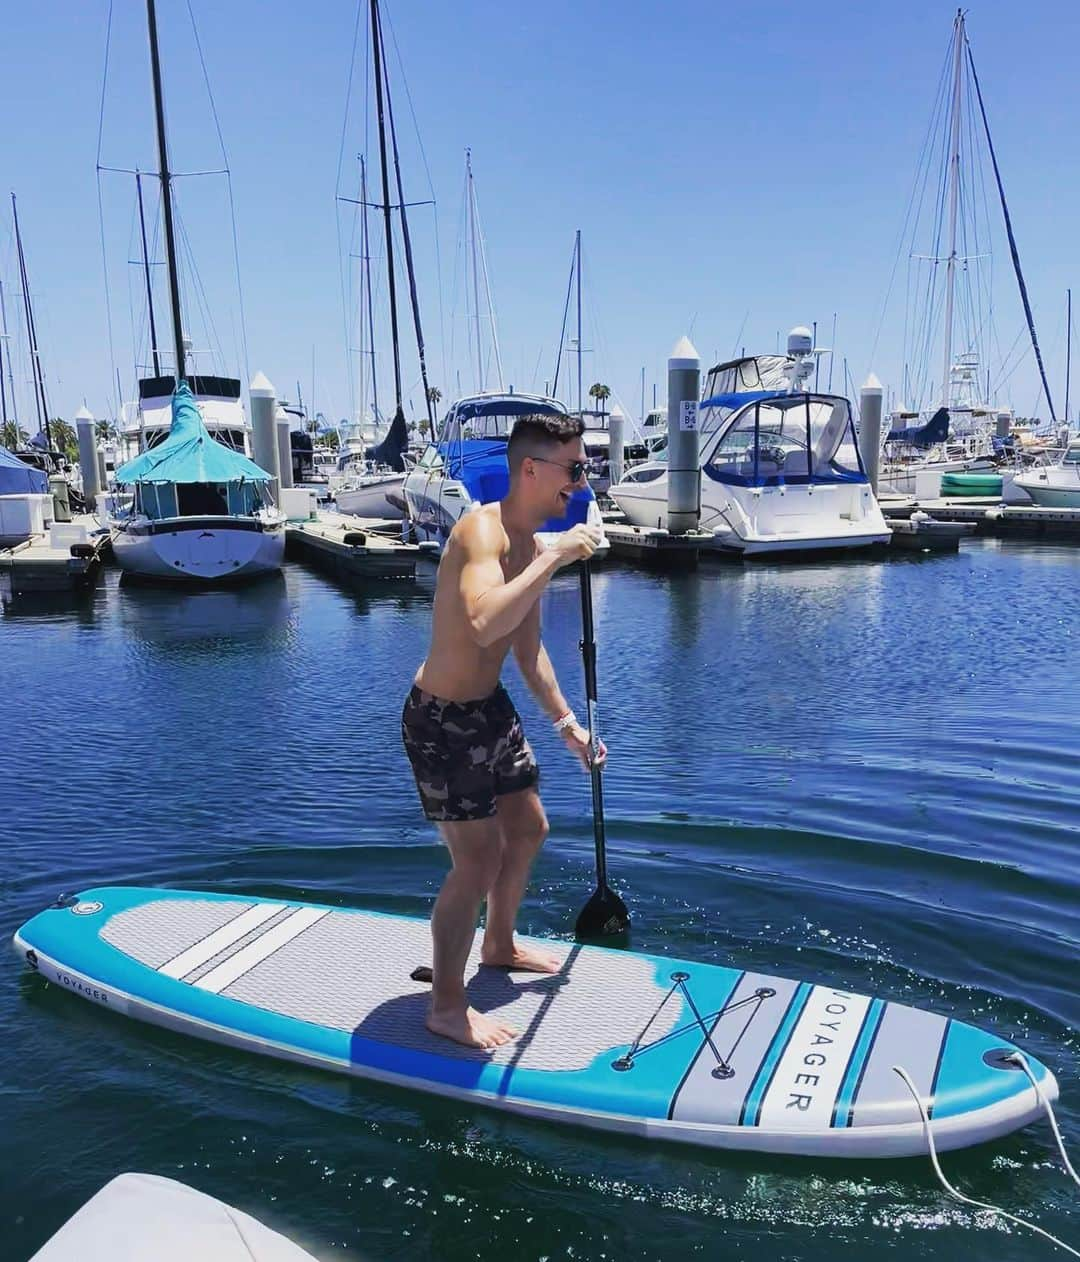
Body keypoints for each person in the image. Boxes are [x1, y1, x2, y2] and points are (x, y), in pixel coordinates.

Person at [401, 412, 604, 1049]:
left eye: (584, 468)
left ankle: (499, 943)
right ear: (531, 469)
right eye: (573, 469)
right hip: (441, 721)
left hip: (490, 710)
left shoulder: (532, 541)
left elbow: (527, 651)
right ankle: (446, 1006)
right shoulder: (479, 533)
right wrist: (556, 556)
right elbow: (486, 622)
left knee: (530, 826)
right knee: (479, 860)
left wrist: (567, 724)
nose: (580, 481)